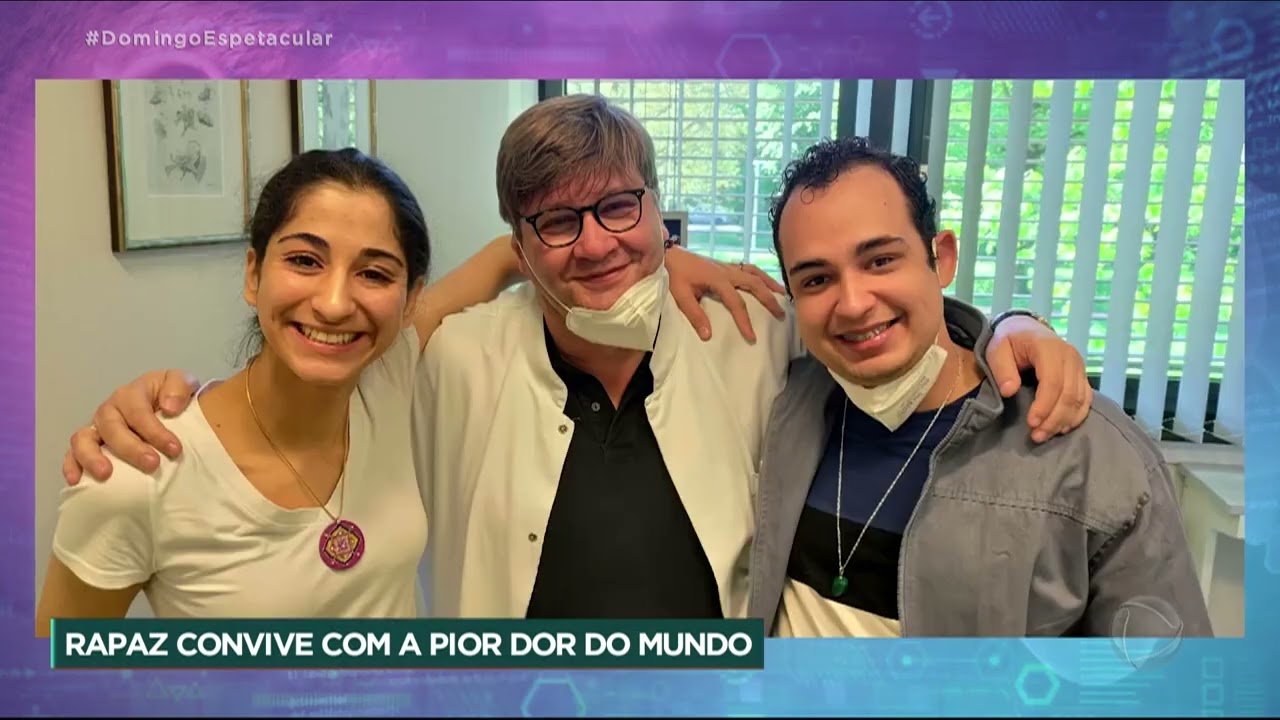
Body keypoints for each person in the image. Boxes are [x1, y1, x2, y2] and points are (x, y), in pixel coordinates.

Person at [61, 95, 1093, 620]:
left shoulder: (747, 327)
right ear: (518, 241)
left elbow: (868, 316)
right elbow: (325, 346)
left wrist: (1008, 328)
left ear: (659, 212)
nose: (594, 243)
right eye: (556, 222)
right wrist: (162, 401)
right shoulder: (450, 360)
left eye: (619, 208)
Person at [35, 147, 783, 634]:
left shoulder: (390, 385)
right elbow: (54, 685)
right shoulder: (135, 468)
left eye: (374, 273)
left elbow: (511, 257)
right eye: (304, 260)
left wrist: (658, 259)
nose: (335, 303)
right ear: (253, 273)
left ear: (409, 297)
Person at [748, 136, 1213, 637]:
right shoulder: (788, 402)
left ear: (942, 258)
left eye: (880, 260)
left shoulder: (1089, 451)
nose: (854, 303)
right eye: (816, 280)